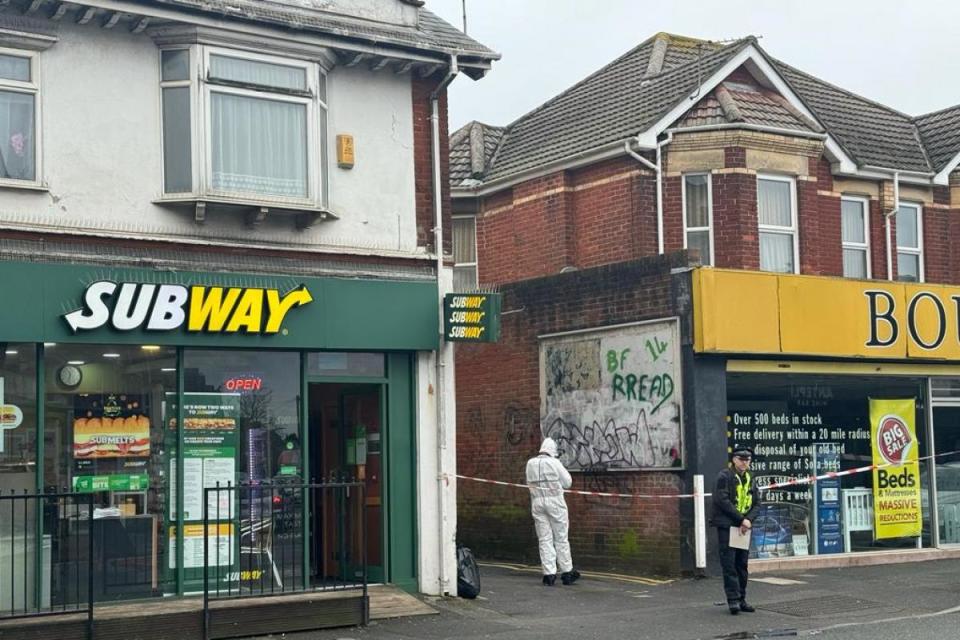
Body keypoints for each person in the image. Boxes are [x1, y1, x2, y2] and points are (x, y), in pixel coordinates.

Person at [710, 445, 761, 615]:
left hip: (743, 527)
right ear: (733, 460)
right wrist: (742, 519)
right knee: (729, 565)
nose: (744, 462)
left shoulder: (751, 477)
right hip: (728, 525)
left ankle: (742, 599)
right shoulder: (724, 476)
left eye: (747, 460)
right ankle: (733, 601)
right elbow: (722, 500)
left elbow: (757, 503)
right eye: (741, 459)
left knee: (742, 565)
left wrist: (748, 520)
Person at [525, 437, 580, 586]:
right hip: (555, 502)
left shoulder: (530, 463)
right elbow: (568, 482)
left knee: (544, 539)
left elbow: (528, 483)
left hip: (537, 502)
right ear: (553, 451)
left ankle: (548, 574)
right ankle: (567, 572)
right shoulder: (554, 462)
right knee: (561, 538)